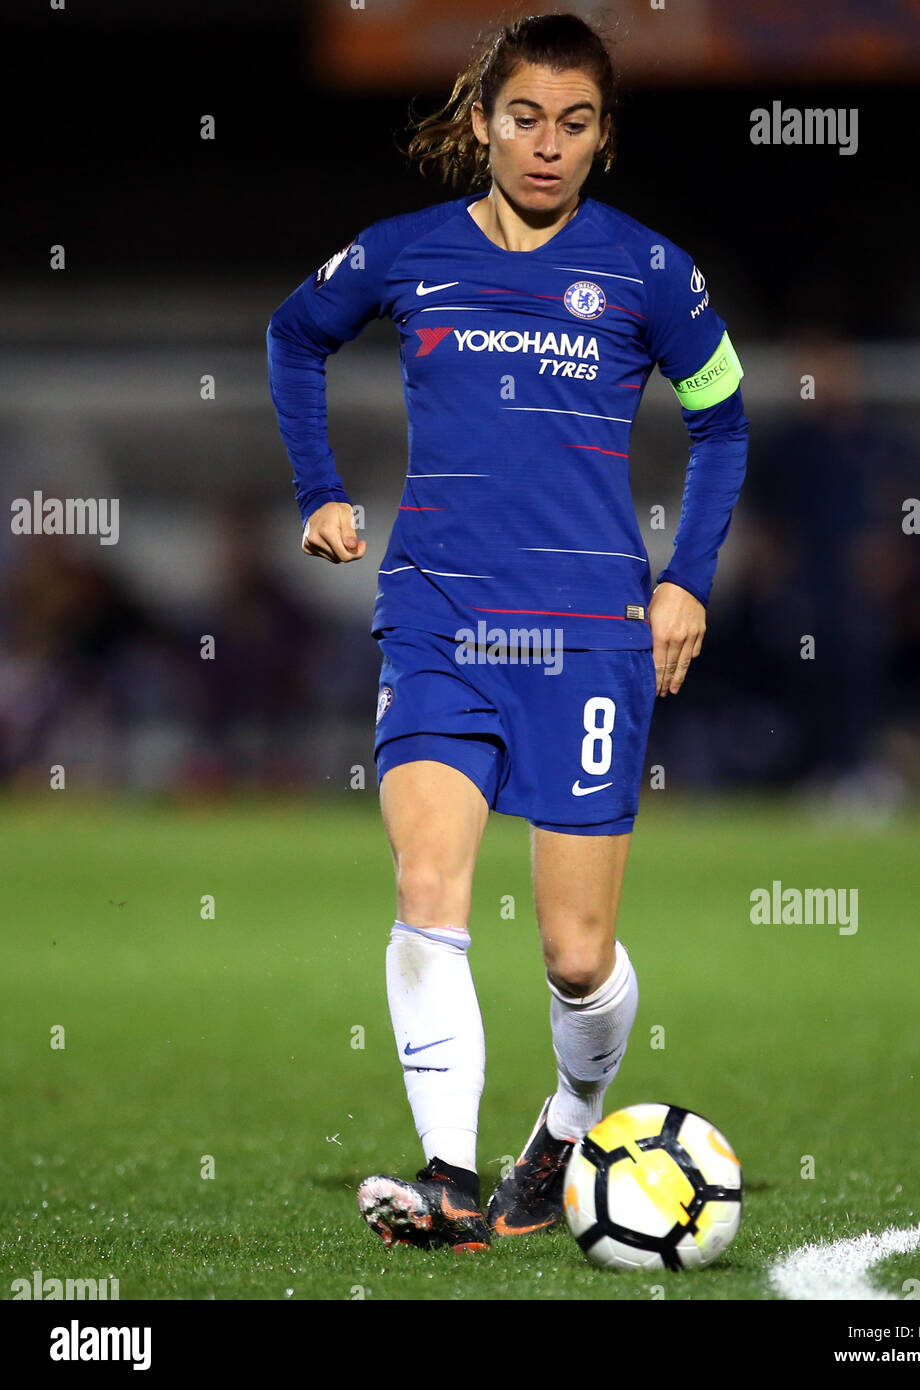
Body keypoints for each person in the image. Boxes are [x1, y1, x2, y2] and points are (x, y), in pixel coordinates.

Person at [266, 11, 748, 1253]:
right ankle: (447, 1177)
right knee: (427, 883)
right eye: (524, 117)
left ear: (601, 138)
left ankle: (568, 1122)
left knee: (575, 955)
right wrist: (320, 487)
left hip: (589, 633)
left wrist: (685, 576)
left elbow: (723, 417)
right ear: (482, 119)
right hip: (438, 615)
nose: (546, 146)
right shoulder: (403, 253)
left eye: (575, 124)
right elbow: (292, 334)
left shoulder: (651, 273)